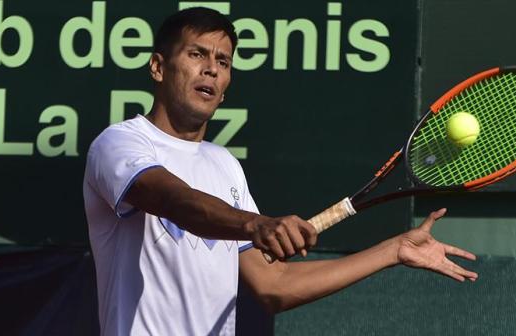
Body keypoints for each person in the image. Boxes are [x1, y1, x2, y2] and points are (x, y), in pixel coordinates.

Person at [83, 7, 478, 336]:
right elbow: (172, 198)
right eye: (196, 55)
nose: (211, 70)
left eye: (222, 62)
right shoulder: (120, 143)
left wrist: (392, 250)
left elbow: (274, 286)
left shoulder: (224, 166)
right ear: (158, 67)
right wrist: (256, 225)